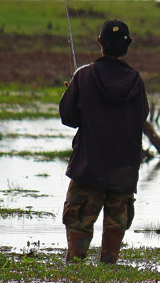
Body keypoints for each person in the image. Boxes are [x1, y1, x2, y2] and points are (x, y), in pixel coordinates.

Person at [59, 19, 149, 263]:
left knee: (78, 227)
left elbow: (68, 118)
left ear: (100, 43)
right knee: (113, 240)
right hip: (124, 172)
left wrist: (72, 94)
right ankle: (109, 281)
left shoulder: (84, 76)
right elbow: (141, 117)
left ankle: (76, 278)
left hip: (88, 168)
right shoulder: (136, 82)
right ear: (127, 46)